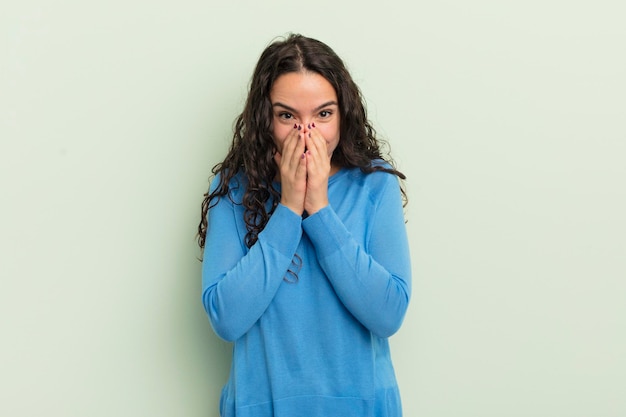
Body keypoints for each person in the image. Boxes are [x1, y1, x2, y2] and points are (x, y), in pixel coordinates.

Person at [198, 33, 411, 417]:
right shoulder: (233, 189)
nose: (306, 133)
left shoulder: (375, 184)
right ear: (265, 119)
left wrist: (320, 208)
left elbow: (388, 314)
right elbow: (226, 318)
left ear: (343, 115)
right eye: (287, 116)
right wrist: (289, 208)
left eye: (323, 114)